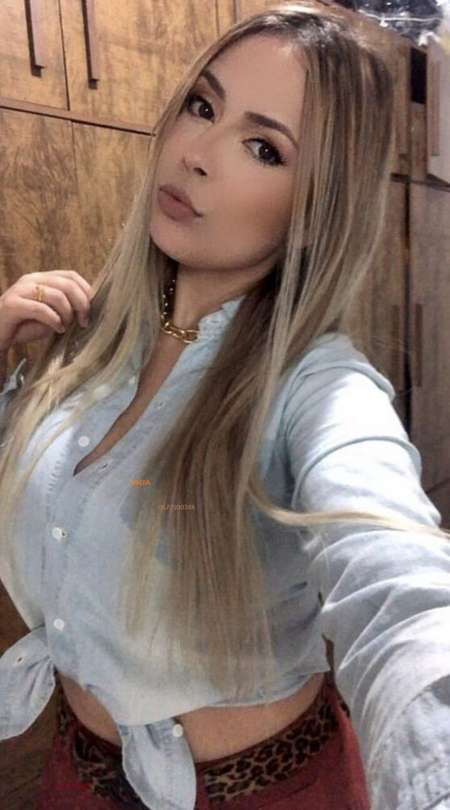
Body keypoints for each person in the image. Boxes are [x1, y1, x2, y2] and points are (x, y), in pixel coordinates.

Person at [1, 3, 450, 809]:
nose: (197, 154)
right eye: (203, 106)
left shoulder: (317, 390)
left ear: (314, 210)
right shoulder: (84, 338)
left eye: (263, 147)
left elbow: (399, 589)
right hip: (76, 775)